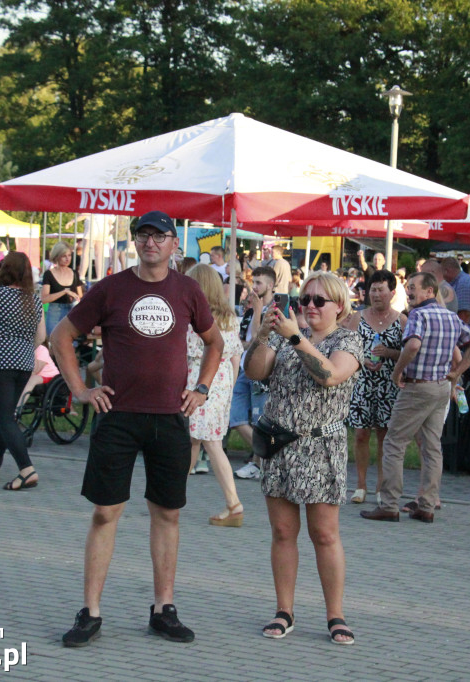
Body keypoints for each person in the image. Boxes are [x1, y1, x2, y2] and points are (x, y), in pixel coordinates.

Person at [53, 210, 221, 648]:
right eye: (143, 235)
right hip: (119, 416)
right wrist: (81, 388)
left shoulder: (187, 290)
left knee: (167, 513)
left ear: (172, 245)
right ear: (134, 242)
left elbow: (215, 342)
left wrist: (201, 387)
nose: (151, 243)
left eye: (160, 236)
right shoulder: (109, 288)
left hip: (169, 417)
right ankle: (90, 612)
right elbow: (61, 337)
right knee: (105, 512)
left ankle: (163, 609)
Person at [243, 271, 363, 644]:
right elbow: (254, 371)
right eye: (303, 300)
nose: (309, 306)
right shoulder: (287, 338)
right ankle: (284, 610)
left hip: (321, 449)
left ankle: (335, 615)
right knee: (282, 532)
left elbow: (329, 376)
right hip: (279, 446)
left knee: (324, 534)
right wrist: (264, 335)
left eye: (318, 301)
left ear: (339, 306)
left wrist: (294, 337)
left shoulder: (347, 339)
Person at [361, 271, 470, 524]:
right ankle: (427, 505)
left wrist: (397, 373)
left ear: (429, 291)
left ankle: (389, 504)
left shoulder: (418, 314)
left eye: (413, 287)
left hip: (417, 388)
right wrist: (456, 373)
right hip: (440, 387)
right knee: (432, 447)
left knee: (394, 444)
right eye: (408, 287)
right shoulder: (451, 317)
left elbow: (414, 345)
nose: (409, 291)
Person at [0, 251, 47, 488]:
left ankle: (26, 468)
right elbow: (41, 336)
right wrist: (22, 348)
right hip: (24, 363)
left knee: (3, 417)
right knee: (6, 416)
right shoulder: (33, 298)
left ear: (5, 269)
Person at [183, 264, 244, 525]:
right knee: (197, 440)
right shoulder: (229, 318)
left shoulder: (193, 319)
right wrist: (228, 390)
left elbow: (188, 352)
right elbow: (234, 356)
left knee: (202, 441)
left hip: (198, 382)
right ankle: (171, 496)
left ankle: (233, 503)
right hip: (219, 385)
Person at [343, 269, 406, 504]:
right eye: (372, 289)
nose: (376, 294)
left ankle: (381, 486)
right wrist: (361, 359)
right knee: (360, 434)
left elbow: (408, 352)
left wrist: (389, 353)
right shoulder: (357, 317)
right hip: (362, 383)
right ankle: (360, 485)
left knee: (384, 436)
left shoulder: (401, 320)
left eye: (381, 289)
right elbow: (346, 347)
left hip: (389, 384)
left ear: (392, 292)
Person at [231, 265, 277, 481]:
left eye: (259, 282)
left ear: (270, 285)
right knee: (235, 416)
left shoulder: (276, 309)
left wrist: (259, 310)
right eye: (253, 282)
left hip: (262, 371)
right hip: (243, 367)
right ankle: (265, 457)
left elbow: (262, 337)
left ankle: (260, 463)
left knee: (260, 420)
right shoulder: (250, 310)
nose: (254, 286)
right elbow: (247, 340)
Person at [41, 242, 84, 337]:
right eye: (64, 256)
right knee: (53, 340)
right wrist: (64, 292)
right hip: (54, 311)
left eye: (69, 255)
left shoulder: (74, 273)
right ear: (57, 256)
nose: (67, 258)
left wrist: (76, 298)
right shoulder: (49, 274)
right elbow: (44, 299)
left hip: (71, 311)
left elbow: (80, 296)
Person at [442, 257, 470, 332]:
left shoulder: (464, 284)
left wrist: (456, 334)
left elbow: (464, 316)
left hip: (466, 338)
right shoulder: (460, 282)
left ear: (446, 271)